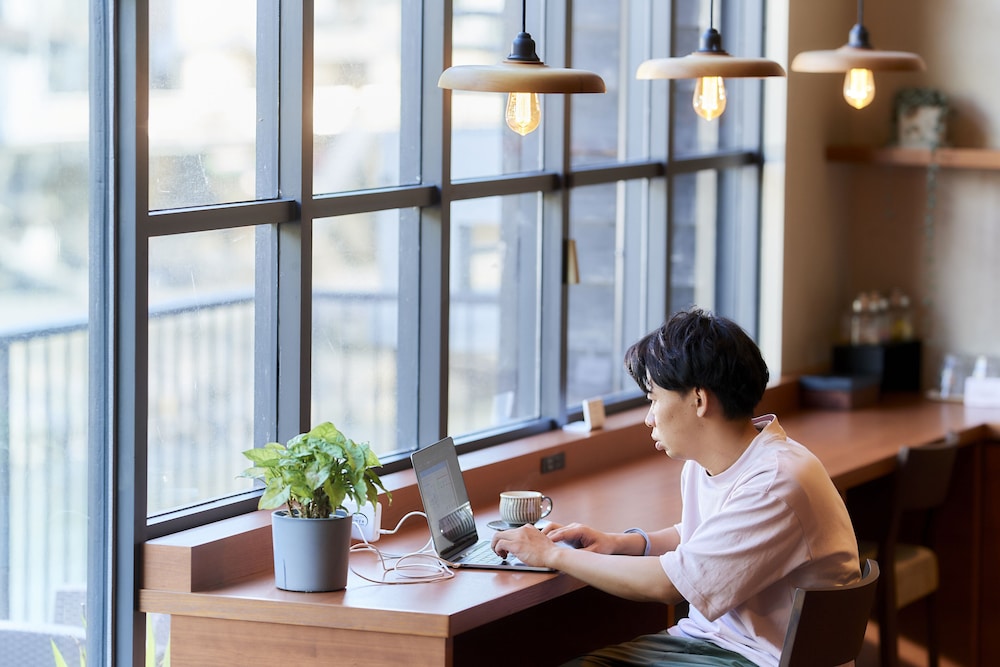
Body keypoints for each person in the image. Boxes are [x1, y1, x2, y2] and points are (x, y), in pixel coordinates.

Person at [491, 308, 860, 666]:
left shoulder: (775, 483)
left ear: (699, 400)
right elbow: (705, 539)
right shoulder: (712, 463)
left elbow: (671, 585)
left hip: (757, 657)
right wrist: (621, 543)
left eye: (654, 399)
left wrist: (552, 555)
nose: (649, 418)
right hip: (712, 643)